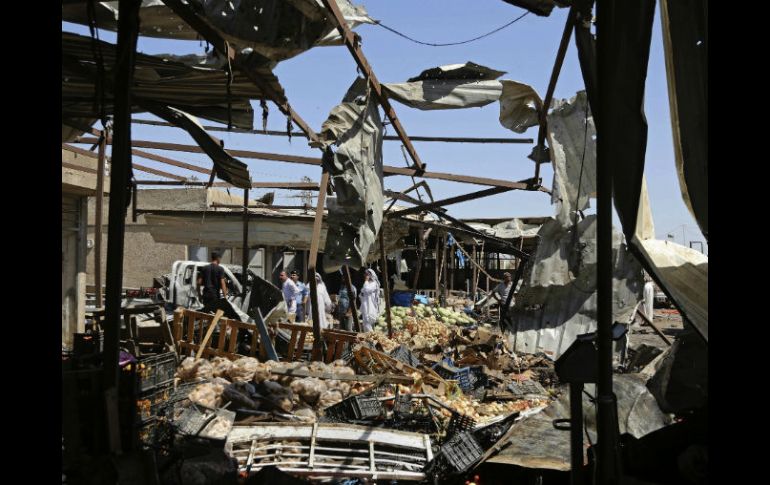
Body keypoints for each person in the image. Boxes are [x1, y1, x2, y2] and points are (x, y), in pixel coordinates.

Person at [359, 268, 381, 333]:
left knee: (368, 321)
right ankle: (369, 336)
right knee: (366, 322)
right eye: (365, 274)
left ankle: (371, 337)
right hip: (365, 304)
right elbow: (362, 292)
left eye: (367, 274)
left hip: (370, 305)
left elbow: (366, 289)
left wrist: (366, 281)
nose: (365, 276)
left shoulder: (374, 283)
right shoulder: (367, 283)